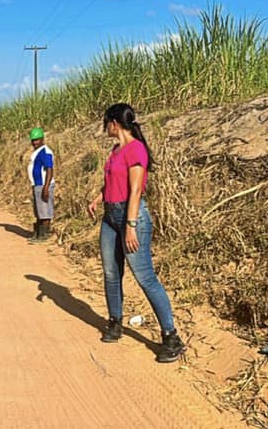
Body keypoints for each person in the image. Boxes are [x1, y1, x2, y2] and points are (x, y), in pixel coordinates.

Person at [87, 103, 185, 363]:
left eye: (105, 122)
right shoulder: (116, 149)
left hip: (132, 218)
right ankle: (115, 321)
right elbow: (112, 181)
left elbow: (136, 191)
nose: (104, 127)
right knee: (110, 272)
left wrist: (130, 226)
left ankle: (171, 336)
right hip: (110, 216)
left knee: (144, 277)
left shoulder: (136, 150)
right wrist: (98, 198)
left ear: (114, 124)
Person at [27, 127, 54, 244]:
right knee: (39, 210)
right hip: (37, 185)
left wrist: (46, 188)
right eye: (33, 140)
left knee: (45, 211)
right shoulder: (37, 151)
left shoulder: (45, 151)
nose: (34, 142)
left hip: (43, 185)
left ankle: (44, 235)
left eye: (37, 140)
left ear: (42, 139)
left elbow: (49, 169)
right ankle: (38, 233)